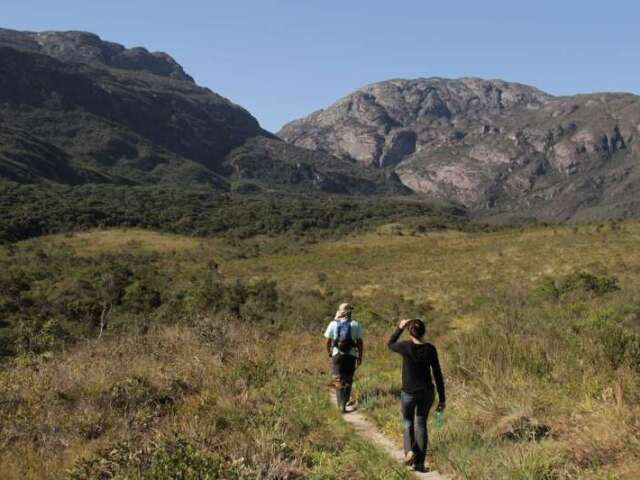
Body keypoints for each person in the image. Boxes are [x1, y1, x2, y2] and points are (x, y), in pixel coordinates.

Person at [388, 318, 445, 473]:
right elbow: (438, 374)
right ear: (424, 332)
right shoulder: (430, 349)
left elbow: (390, 344)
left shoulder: (405, 346)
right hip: (427, 392)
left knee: (407, 422)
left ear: (410, 332)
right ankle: (419, 464)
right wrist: (442, 398)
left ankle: (410, 453)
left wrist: (399, 328)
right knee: (421, 424)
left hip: (408, 392)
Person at [323, 303, 364, 412]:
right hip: (351, 356)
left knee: (338, 379)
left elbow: (328, 341)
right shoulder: (355, 324)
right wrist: (360, 356)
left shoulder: (333, 324)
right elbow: (360, 342)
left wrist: (329, 352)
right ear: (350, 312)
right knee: (348, 379)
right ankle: (344, 403)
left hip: (337, 355)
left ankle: (340, 404)